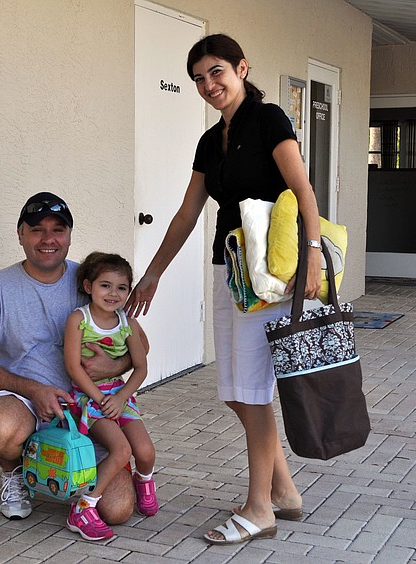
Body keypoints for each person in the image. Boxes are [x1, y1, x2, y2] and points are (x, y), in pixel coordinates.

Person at [125, 34, 321, 545]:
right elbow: (189, 213)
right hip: (228, 270)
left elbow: (301, 188)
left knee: (252, 392)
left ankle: (260, 510)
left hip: (265, 277)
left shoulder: (270, 118)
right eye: (198, 78)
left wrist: (315, 251)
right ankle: (285, 492)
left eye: (217, 72)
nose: (208, 84)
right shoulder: (211, 142)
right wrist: (153, 271)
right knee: (237, 392)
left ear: (241, 68)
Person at [0, 191, 140, 526]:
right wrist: (34, 390)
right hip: (26, 402)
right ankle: (14, 472)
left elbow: (134, 349)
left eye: (58, 229)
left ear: (70, 236)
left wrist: (115, 367)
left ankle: (75, 471)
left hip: (86, 402)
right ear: (20, 235)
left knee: (117, 511)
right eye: (37, 229)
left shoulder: (92, 282)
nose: (48, 239)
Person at [63, 252, 157, 541]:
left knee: (145, 452)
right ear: (89, 286)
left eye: (121, 288)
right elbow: (73, 367)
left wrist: (121, 398)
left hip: (120, 395)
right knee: (121, 450)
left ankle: (144, 480)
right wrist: (100, 400)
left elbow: (141, 367)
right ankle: (83, 507)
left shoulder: (126, 322)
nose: (113, 294)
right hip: (88, 399)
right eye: (105, 285)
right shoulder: (79, 319)